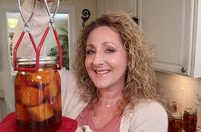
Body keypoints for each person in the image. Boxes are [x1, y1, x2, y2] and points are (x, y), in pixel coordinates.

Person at [12, 0, 168, 131]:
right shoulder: (73, 91)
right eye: (90, 51)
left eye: (109, 50)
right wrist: (38, 5)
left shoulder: (150, 113)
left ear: (130, 58)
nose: (96, 61)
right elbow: (29, 63)